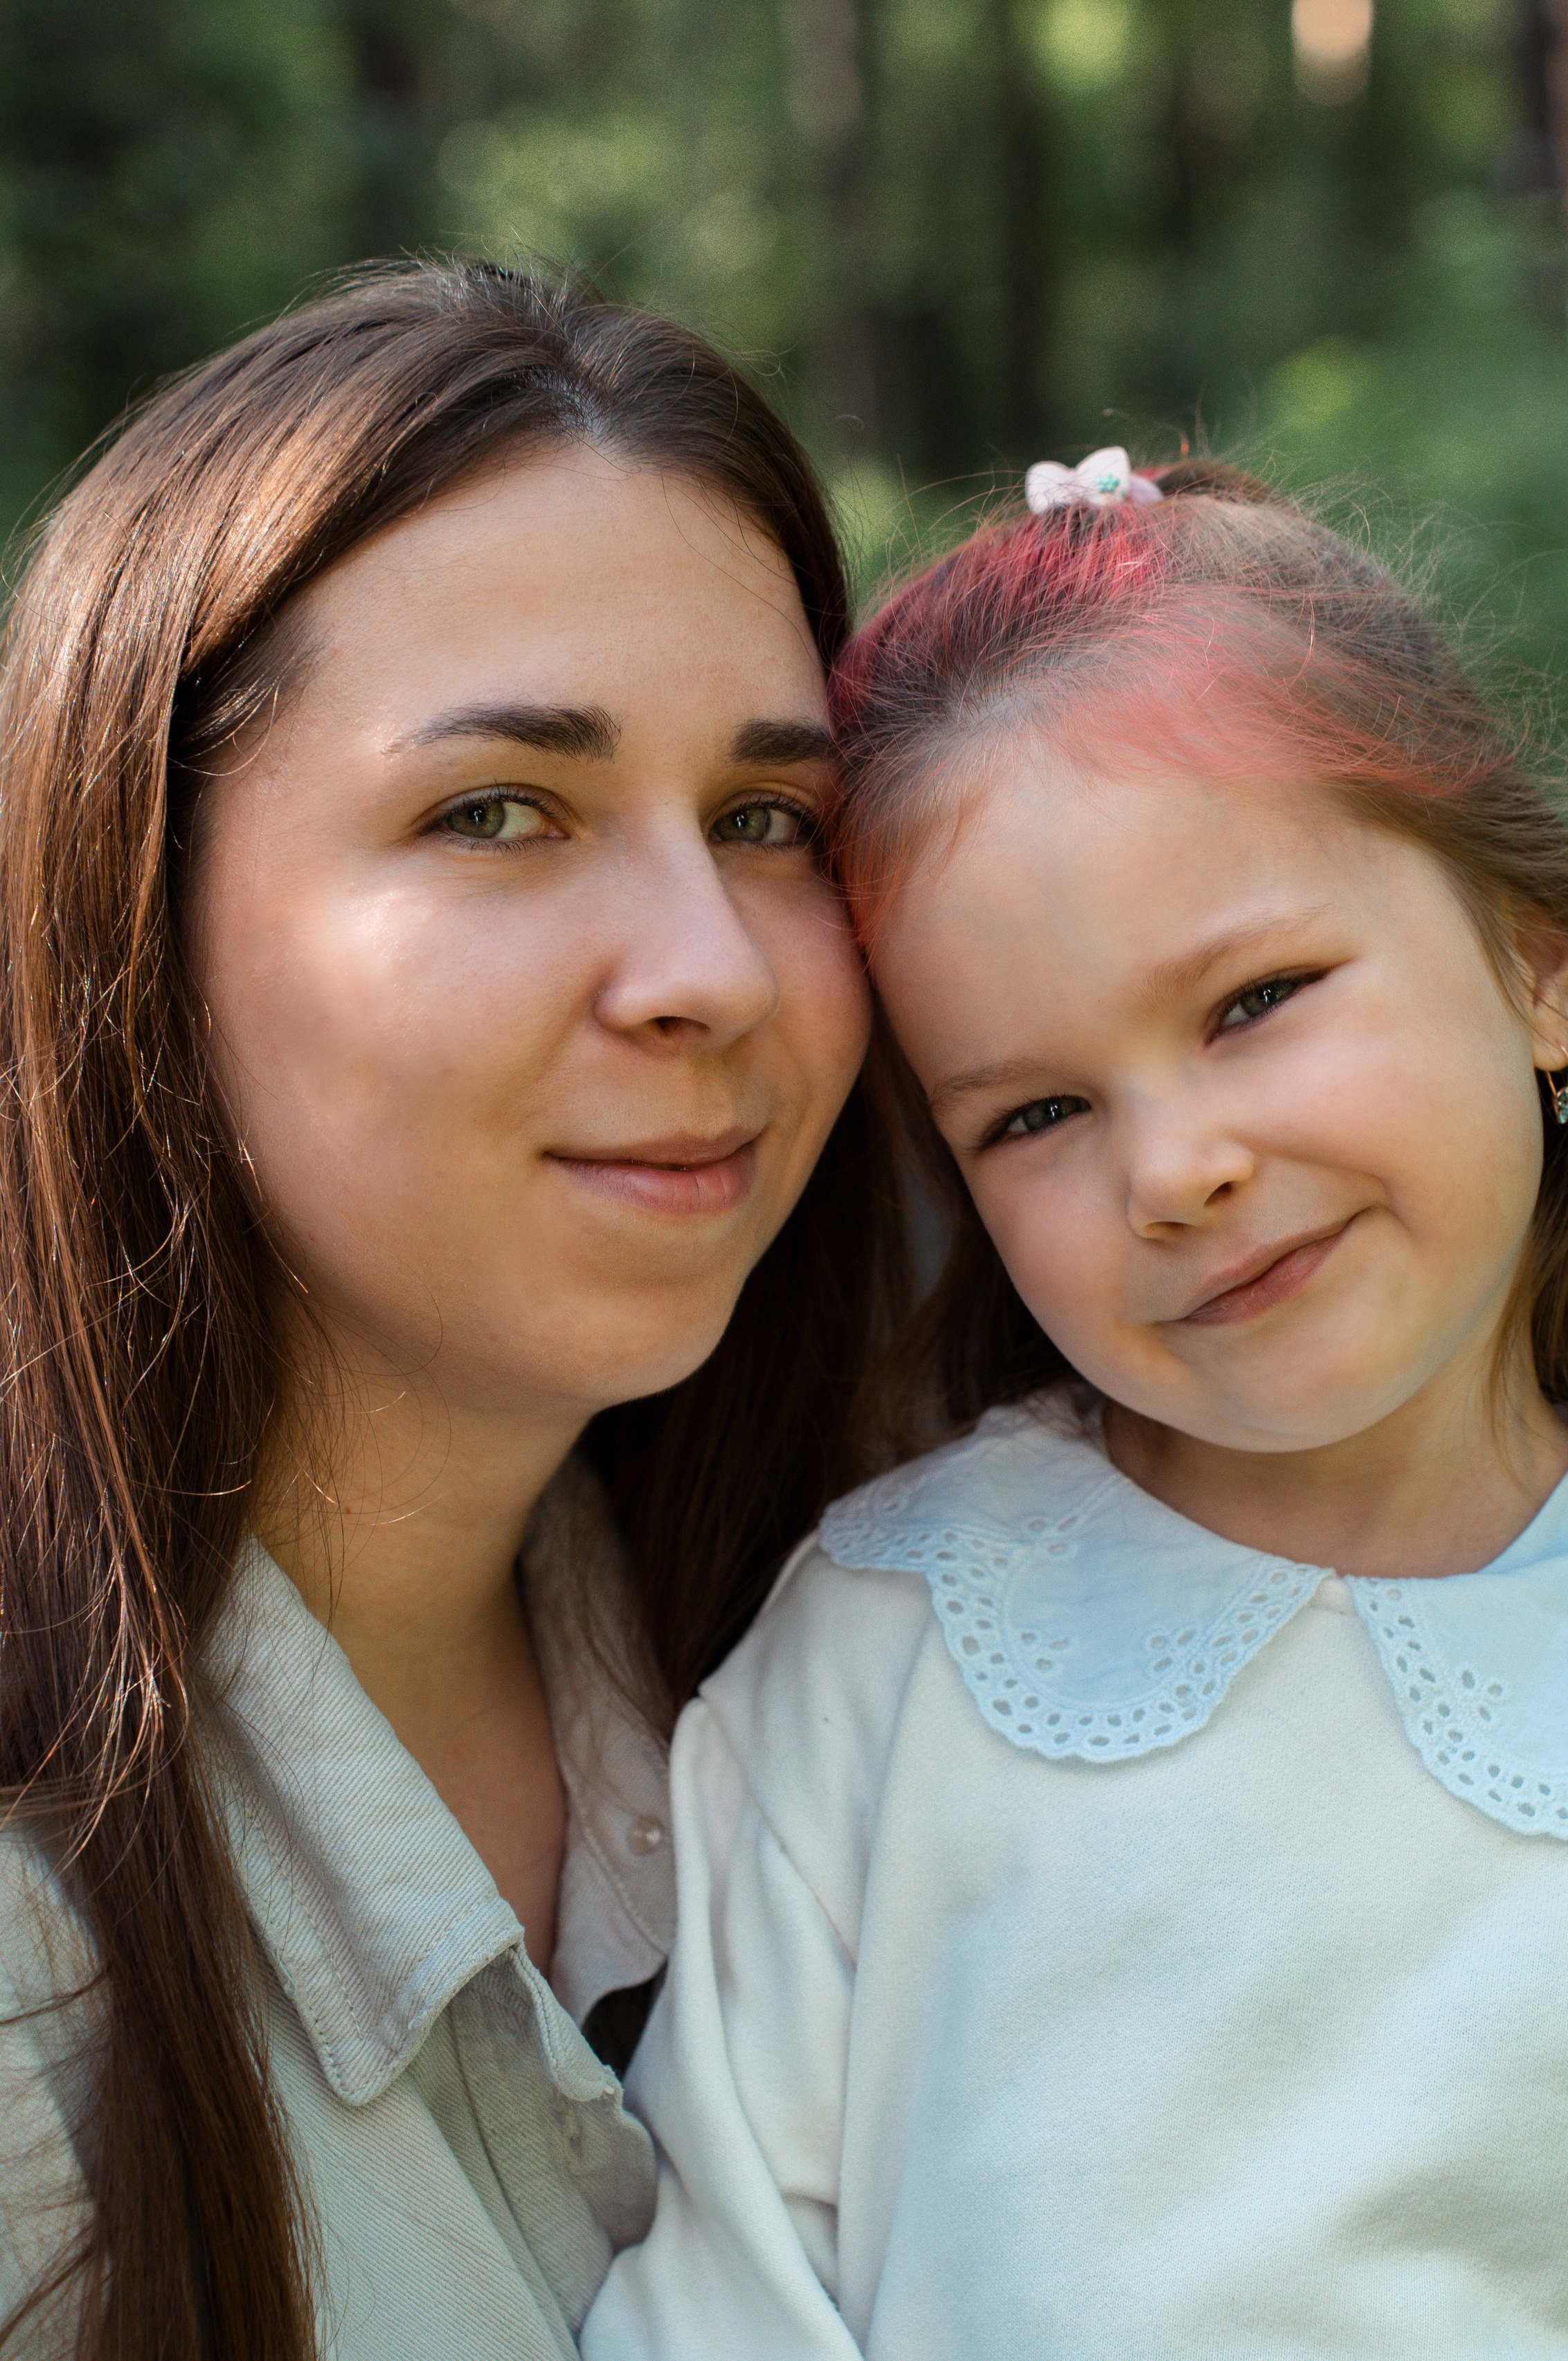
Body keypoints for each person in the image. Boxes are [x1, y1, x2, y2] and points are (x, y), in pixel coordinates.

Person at [586, 451, 1568, 2359]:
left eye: (1253, 1000)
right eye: (1034, 1114)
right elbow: (710, 2291)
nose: (1177, 1167)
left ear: (1538, 967)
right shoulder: (884, 1647)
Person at [0, 258, 903, 2361]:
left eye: (773, 820)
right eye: (500, 809)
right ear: (134, 913)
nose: (712, 967)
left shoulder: (929, 1645)